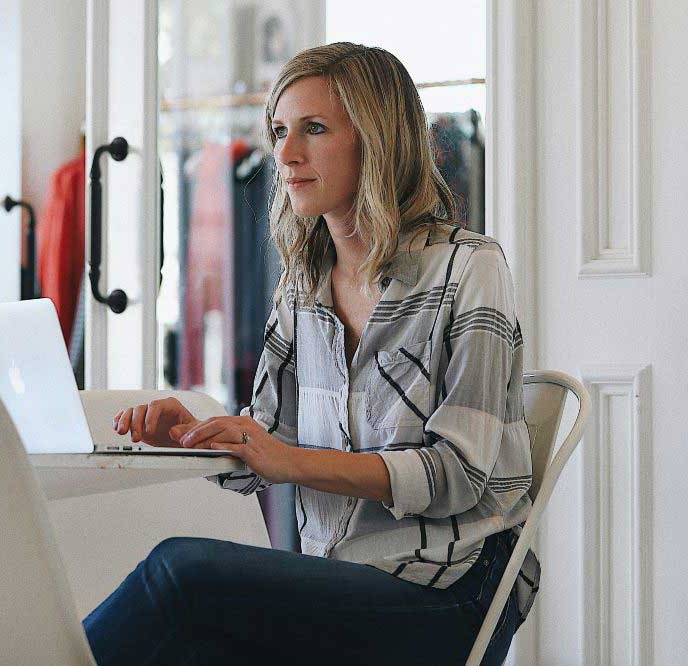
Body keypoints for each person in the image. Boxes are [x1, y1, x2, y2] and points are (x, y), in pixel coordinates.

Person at [82, 42, 539, 665]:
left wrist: (284, 459)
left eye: (314, 129)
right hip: (343, 581)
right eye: (278, 131)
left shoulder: (469, 268)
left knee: (178, 575)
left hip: (448, 592)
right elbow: (267, 442)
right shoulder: (303, 281)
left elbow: (460, 475)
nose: (286, 154)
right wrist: (197, 435)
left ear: (376, 141)